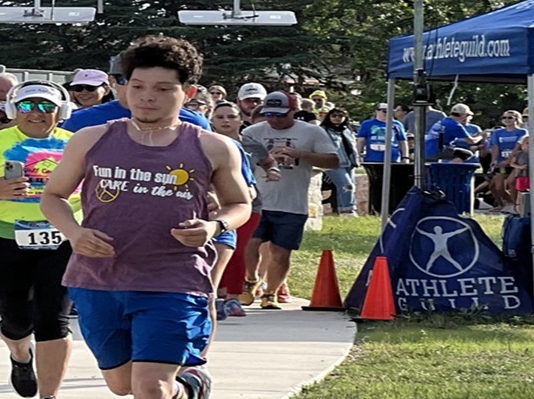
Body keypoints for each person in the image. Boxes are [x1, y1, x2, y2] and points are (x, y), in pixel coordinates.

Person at [39, 35, 251, 399]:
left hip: (173, 280)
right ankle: (187, 393)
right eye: (136, 87)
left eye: (161, 89)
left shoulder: (210, 146)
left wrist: (214, 228)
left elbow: (239, 206)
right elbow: (52, 195)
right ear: (122, 89)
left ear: (189, 93)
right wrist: (73, 232)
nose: (147, 98)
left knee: (147, 385)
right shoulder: (92, 140)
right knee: (121, 384)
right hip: (98, 280)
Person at [0, 81, 79, 399]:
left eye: (46, 107)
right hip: (2, 242)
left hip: (62, 241)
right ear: (14, 110)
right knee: (15, 321)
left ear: (60, 111)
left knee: (53, 319)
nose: (36, 114)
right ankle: (19, 354)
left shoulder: (77, 146)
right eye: (28, 106)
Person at [240, 93, 339, 308]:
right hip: (258, 201)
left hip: (292, 202)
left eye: (280, 115)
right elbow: (241, 163)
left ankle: (271, 293)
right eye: (270, 115)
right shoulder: (252, 133)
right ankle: (251, 279)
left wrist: (300, 154)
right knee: (251, 243)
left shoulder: (312, 132)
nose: (274, 120)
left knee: (280, 251)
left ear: (294, 111)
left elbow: (334, 161)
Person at [210, 102, 265, 315]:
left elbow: (267, 163)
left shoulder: (249, 146)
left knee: (237, 249)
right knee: (215, 251)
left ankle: (233, 297)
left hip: (246, 207)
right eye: (220, 117)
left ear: (241, 120)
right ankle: (216, 294)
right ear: (211, 121)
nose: (226, 121)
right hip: (213, 206)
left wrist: (273, 171)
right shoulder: (205, 144)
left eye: (231, 117)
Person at [65, 62, 213, 133]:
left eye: (162, 88)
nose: (147, 95)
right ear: (112, 82)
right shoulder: (79, 121)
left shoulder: (195, 123)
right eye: (136, 84)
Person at [357, 103, 410, 216]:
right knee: (377, 184)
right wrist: (358, 154)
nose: (386, 113)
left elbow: (402, 141)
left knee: (393, 185)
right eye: (383, 111)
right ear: (377, 111)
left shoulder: (396, 124)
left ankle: (391, 209)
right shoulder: (367, 124)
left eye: (389, 111)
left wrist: (405, 157)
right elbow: (361, 141)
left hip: (393, 159)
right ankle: (375, 209)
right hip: (374, 159)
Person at [320, 107, 360, 215]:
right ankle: (348, 210)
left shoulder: (347, 130)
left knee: (350, 186)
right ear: (329, 117)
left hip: (349, 162)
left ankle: (343, 210)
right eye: (334, 116)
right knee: (346, 185)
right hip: (333, 162)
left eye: (340, 116)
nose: (337, 118)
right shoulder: (323, 130)